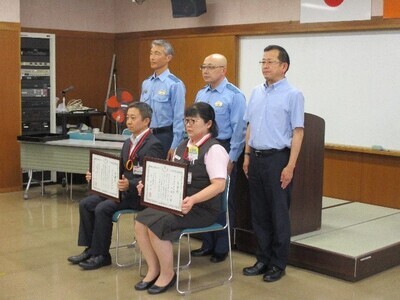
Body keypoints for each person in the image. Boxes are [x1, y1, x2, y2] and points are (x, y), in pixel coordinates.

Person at [134, 102, 229, 294]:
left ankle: (167, 274)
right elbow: (170, 175)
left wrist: (193, 200)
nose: (189, 125)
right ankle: (154, 269)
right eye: (186, 121)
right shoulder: (183, 145)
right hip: (177, 203)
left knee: (158, 225)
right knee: (141, 221)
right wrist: (149, 186)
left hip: (203, 208)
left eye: (194, 121)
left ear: (208, 123)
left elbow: (219, 185)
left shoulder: (214, 149)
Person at [67, 102, 164, 270]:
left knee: (103, 208)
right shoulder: (128, 142)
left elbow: (152, 177)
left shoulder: (153, 144)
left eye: (133, 118)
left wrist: (130, 185)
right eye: (128, 118)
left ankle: (102, 254)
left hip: (138, 195)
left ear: (146, 121)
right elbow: (119, 168)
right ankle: (90, 249)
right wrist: (96, 175)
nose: (129, 121)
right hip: (121, 189)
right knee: (86, 203)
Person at [242, 45, 304, 282]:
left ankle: (278, 263)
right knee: (259, 213)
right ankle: (262, 258)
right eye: (263, 61)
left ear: (283, 66)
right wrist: (247, 155)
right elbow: (250, 126)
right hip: (255, 158)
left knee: (278, 213)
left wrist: (290, 166)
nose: (265, 66)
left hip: (278, 159)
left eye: (270, 61)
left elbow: (298, 132)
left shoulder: (293, 94)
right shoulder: (256, 92)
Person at [191, 53, 246, 263]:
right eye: (203, 66)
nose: (205, 70)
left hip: (223, 148)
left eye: (211, 67)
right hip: (202, 148)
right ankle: (207, 243)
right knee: (203, 194)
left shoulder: (234, 95)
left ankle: (222, 247)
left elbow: (239, 130)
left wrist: (232, 158)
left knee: (223, 199)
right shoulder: (201, 94)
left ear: (223, 70)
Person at [140, 39, 186, 161]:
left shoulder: (175, 84)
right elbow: (141, 113)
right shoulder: (146, 83)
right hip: (146, 135)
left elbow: (179, 118)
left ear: (168, 58)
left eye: (157, 53)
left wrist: (175, 145)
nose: (152, 57)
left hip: (165, 136)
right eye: (151, 53)